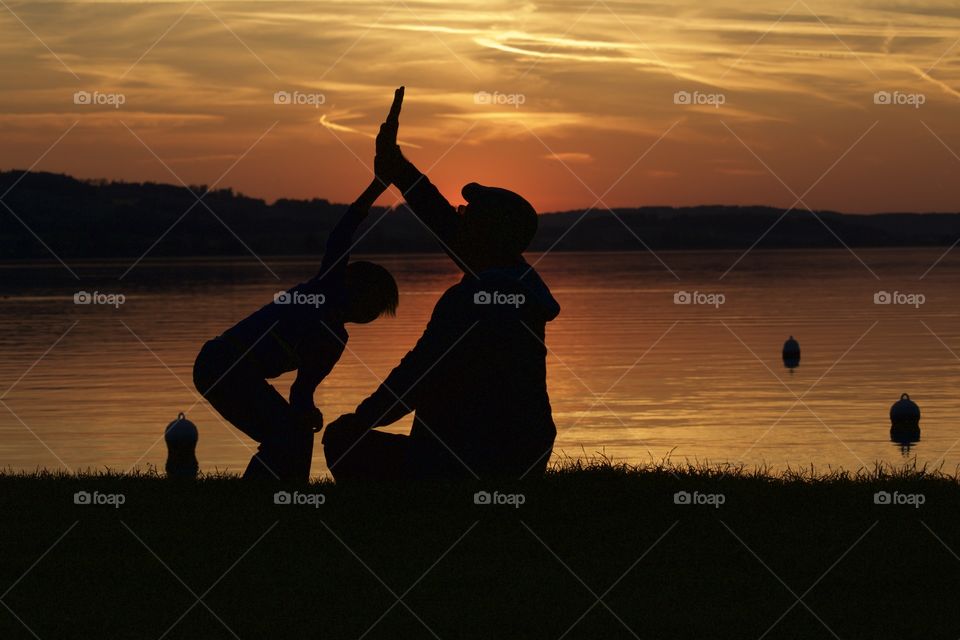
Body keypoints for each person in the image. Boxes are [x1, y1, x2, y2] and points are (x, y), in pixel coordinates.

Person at [322, 87, 560, 480]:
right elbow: (446, 225)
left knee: (342, 440)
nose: (459, 213)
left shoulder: (469, 300)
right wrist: (398, 168)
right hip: (525, 455)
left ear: (486, 234)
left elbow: (416, 374)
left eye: (468, 213)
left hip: (475, 460)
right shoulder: (517, 280)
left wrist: (361, 420)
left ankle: (417, 515)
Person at [193, 178, 398, 481]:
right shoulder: (326, 288)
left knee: (295, 431)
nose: (371, 312)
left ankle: (290, 494)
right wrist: (377, 186)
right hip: (220, 363)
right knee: (284, 434)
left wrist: (308, 411)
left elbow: (301, 390)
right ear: (354, 286)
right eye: (374, 302)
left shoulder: (335, 341)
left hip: (243, 375)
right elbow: (342, 233)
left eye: (378, 310)